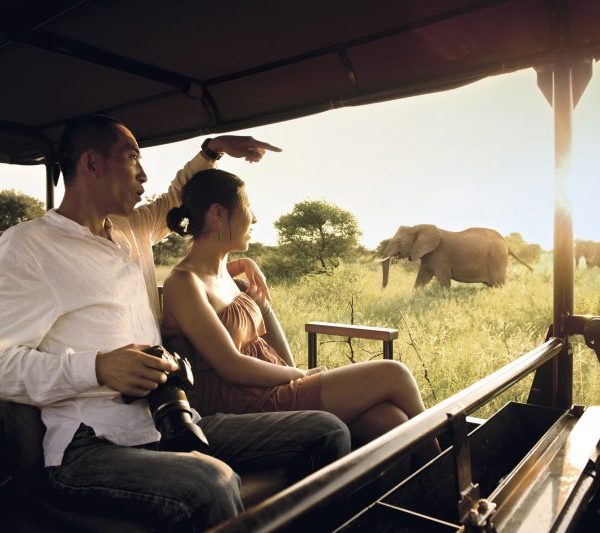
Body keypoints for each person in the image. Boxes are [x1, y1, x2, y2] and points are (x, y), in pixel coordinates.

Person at [0, 115, 351, 530]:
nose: (143, 173)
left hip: (169, 418)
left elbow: (173, 200)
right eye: (132, 158)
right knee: (212, 484)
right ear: (92, 165)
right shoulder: (29, 247)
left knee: (327, 431)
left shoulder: (130, 231)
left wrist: (212, 151)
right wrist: (96, 366)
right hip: (89, 444)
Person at [161, 169, 440, 462]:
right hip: (241, 402)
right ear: (218, 214)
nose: (254, 218)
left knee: (389, 419)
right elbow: (232, 366)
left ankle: (424, 498)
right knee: (393, 373)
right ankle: (450, 477)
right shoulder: (182, 283)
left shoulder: (228, 276)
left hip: (269, 387)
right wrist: (301, 375)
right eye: (247, 205)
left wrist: (243, 267)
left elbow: (249, 320)